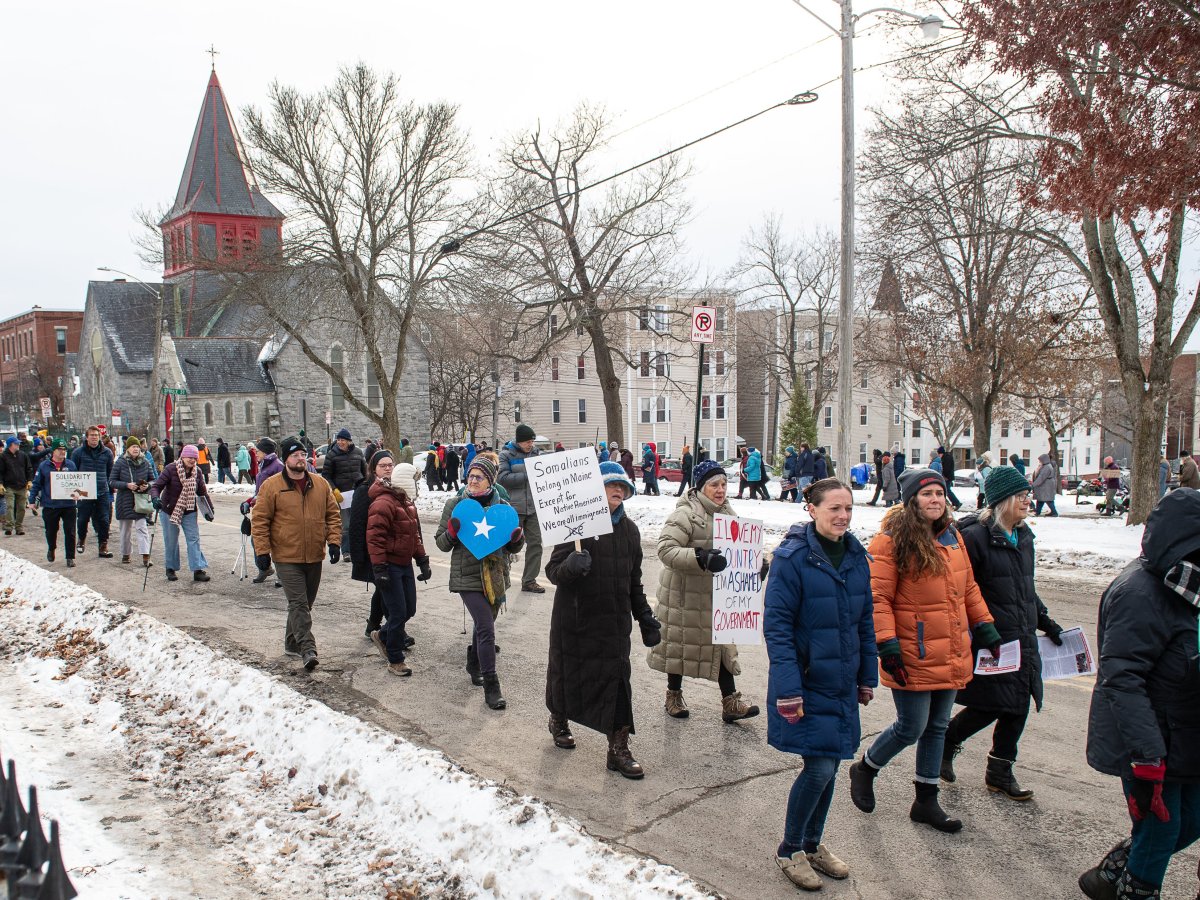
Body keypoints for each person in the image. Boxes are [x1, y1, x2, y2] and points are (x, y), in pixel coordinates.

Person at [848, 467, 1000, 834]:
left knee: (937, 727)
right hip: (910, 647)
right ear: (912, 499)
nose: (935, 499)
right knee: (911, 726)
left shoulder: (953, 536)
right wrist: (887, 644)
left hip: (950, 646)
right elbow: (877, 598)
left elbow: (968, 588)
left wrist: (985, 624)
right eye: (927, 493)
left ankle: (926, 800)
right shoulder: (891, 541)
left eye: (939, 493)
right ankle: (865, 767)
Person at [1078, 488, 1200, 900]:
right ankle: (1134, 891)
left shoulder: (1190, 585)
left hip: (1186, 731)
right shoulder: (1140, 592)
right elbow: (1123, 677)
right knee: (1161, 828)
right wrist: (1148, 756)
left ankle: (1111, 873)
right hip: (1150, 740)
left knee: (1191, 821)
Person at [766, 478, 877, 891]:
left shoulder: (855, 557)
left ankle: (812, 844)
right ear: (810, 509)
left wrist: (867, 675)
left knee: (830, 765)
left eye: (848, 508)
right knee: (820, 767)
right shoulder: (791, 558)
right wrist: (789, 688)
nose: (843, 516)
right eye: (834, 508)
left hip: (843, 680)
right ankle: (789, 848)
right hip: (807, 681)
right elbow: (777, 628)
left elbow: (864, 620)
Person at [942, 466, 1064, 800]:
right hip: (991, 636)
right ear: (1002, 500)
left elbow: (1025, 589)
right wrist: (978, 629)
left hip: (1021, 634)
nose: (1028, 500)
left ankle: (1000, 770)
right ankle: (948, 740)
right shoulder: (975, 537)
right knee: (992, 703)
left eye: (1028, 495)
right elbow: (962, 590)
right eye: (1022, 496)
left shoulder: (1024, 536)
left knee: (1019, 703)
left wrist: (1045, 621)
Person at [545, 461, 659, 778]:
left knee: (618, 683)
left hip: (613, 626)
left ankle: (618, 749)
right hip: (576, 621)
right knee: (568, 676)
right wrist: (571, 564)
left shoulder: (630, 532)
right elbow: (552, 572)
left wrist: (645, 619)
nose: (619, 490)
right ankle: (559, 718)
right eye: (612, 485)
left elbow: (633, 583)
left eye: (622, 486)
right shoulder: (575, 525)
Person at [648, 459, 760, 723]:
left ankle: (730, 703)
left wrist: (755, 567)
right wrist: (700, 557)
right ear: (700, 487)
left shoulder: (729, 514)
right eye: (714, 485)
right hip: (683, 596)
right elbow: (665, 550)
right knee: (679, 645)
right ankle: (673, 695)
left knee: (721, 648)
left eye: (724, 484)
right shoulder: (685, 514)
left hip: (717, 597)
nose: (721, 490)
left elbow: (739, 554)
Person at [435, 455, 522, 710]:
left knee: (484, 624)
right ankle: (492, 687)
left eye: (479, 477)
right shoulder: (456, 504)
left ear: (490, 481)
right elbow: (441, 543)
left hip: (494, 577)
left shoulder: (503, 507)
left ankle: (474, 663)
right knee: (486, 627)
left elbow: (511, 545)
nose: (473, 480)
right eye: (470, 476)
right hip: (467, 577)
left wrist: (517, 539)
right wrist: (451, 532)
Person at [252, 436, 342, 672]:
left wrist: (333, 542)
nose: (301, 459)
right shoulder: (271, 486)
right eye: (295, 455)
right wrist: (262, 551)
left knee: (303, 605)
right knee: (299, 603)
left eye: (303, 455)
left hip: (314, 554)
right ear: (286, 459)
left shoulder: (319, 484)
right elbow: (260, 520)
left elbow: (333, 514)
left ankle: (291, 643)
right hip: (286, 556)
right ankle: (307, 649)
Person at [366, 456, 430, 677]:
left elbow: (414, 536)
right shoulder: (383, 503)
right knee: (398, 612)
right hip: (390, 566)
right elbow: (374, 539)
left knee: (409, 609)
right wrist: (380, 569)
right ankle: (395, 658)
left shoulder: (407, 503)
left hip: (404, 565)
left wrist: (422, 560)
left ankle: (382, 635)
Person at [151, 444, 212, 583]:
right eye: (190, 457)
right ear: (183, 456)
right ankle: (170, 568)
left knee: (193, 539)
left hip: (189, 509)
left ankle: (198, 569)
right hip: (169, 509)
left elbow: (202, 493)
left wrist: (209, 511)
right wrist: (155, 498)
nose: (192, 460)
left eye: (195, 458)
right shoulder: (171, 469)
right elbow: (156, 486)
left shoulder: (198, 472)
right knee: (171, 540)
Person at [350, 449, 394, 638]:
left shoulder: (397, 486)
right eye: (382, 466)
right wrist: (357, 555)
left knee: (383, 588)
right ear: (373, 468)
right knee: (387, 589)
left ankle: (373, 625)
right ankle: (394, 629)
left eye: (390, 465)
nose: (387, 469)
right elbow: (357, 524)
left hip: (393, 548)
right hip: (372, 550)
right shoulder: (364, 490)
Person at [498, 423, 547, 593]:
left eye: (532, 441)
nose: (530, 445)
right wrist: (527, 475)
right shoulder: (506, 455)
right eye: (527, 442)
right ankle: (500, 576)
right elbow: (502, 478)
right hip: (514, 508)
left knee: (536, 544)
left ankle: (529, 580)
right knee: (508, 545)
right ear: (519, 441)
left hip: (533, 508)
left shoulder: (536, 453)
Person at [28, 440, 78, 567]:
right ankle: (51, 548)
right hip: (51, 505)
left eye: (64, 450)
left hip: (68, 505)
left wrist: (80, 494)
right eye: (59, 449)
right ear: (53, 451)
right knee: (51, 531)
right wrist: (32, 500)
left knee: (70, 531)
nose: (62, 452)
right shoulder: (44, 466)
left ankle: (70, 557)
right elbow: (37, 484)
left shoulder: (71, 465)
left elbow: (78, 482)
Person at [322, 428, 367, 563]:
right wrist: (334, 490)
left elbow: (364, 472)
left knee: (359, 523)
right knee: (346, 525)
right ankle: (346, 551)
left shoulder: (358, 453)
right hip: (342, 496)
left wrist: (365, 486)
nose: (340, 442)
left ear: (349, 441)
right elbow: (326, 475)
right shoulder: (331, 455)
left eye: (343, 440)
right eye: (339, 440)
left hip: (357, 493)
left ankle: (359, 549)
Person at [71, 425, 115, 558]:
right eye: (92, 435)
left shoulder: (107, 452)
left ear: (99, 437)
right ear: (87, 437)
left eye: (96, 435)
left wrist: (111, 489)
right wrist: (75, 491)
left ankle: (103, 546)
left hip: (102, 490)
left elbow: (110, 472)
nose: (94, 438)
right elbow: (74, 472)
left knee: (104, 520)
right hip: (84, 491)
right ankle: (81, 540)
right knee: (83, 518)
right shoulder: (78, 452)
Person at [111, 436, 155, 568]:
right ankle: (126, 554)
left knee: (142, 528)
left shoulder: (146, 462)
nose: (135, 449)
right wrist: (126, 485)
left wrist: (147, 486)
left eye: (137, 446)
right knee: (125, 529)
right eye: (133, 447)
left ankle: (146, 556)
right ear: (128, 449)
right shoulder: (120, 462)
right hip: (124, 500)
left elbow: (153, 480)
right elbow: (112, 481)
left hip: (140, 502)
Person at [1, 436, 32, 536]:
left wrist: (30, 480)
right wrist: (0, 483)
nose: (18, 445)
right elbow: (0, 472)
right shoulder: (3, 456)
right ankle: (9, 526)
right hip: (9, 485)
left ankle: (19, 527)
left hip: (22, 485)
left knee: (22, 507)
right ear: (10, 445)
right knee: (9, 506)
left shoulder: (23, 455)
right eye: (16, 443)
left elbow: (29, 469)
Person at [1031, 453, 1059, 517]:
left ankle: (1054, 512)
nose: (1039, 462)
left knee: (1047, 500)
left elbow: (1041, 478)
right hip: (1045, 486)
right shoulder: (1046, 466)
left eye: (1040, 460)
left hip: (1045, 486)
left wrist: (1033, 485)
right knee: (1042, 499)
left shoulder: (1046, 467)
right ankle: (1038, 512)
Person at [940, 446, 963, 510]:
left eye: (939, 454)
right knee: (947, 491)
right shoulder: (947, 457)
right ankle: (954, 503)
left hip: (947, 477)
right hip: (949, 477)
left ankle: (956, 503)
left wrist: (945, 476)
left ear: (941, 453)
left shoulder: (946, 458)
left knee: (947, 491)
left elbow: (947, 469)